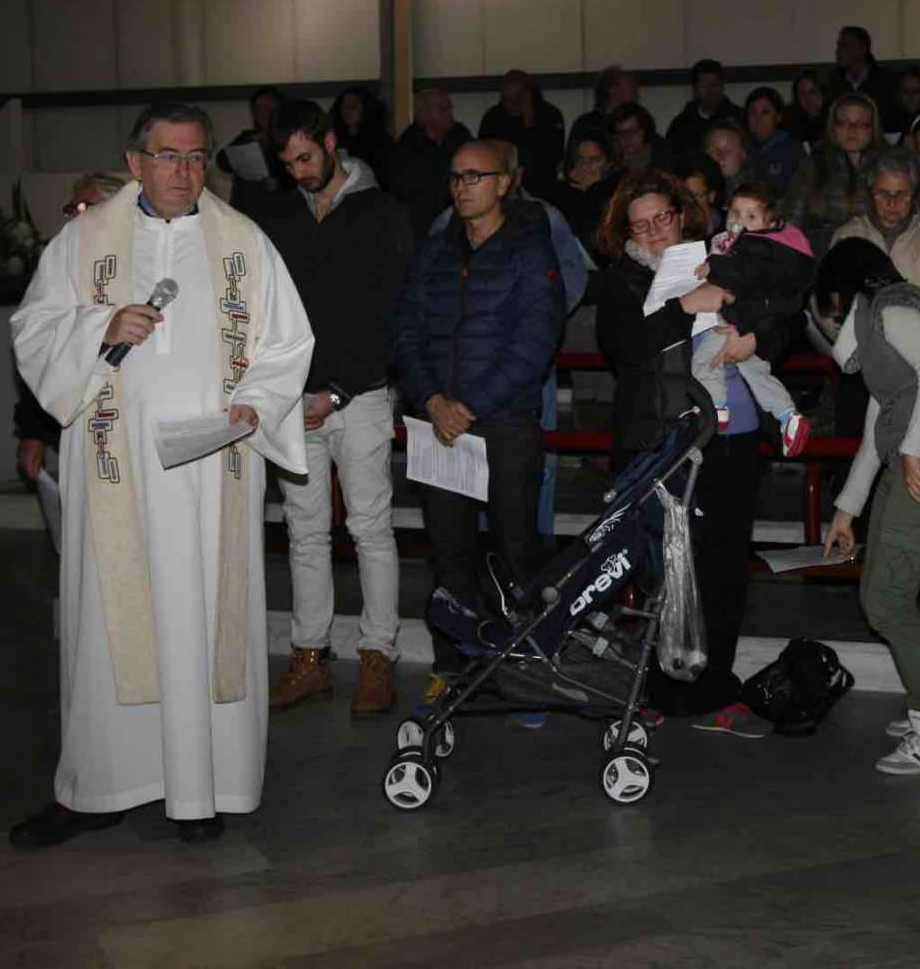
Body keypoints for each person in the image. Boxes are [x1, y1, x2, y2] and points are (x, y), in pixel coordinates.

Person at [7, 102, 315, 847]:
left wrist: (253, 407)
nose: (183, 171)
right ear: (135, 159)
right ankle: (98, 786)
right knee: (105, 629)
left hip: (212, 474)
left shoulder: (243, 243)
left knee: (203, 622)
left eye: (195, 157)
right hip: (117, 469)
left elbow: (287, 343)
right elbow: (34, 329)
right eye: (168, 156)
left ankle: (201, 788)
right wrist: (100, 326)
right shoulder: (83, 243)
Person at [593, 169, 783, 736]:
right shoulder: (620, 280)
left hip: (730, 439)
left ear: (683, 215)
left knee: (724, 568)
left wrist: (761, 337)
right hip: (657, 442)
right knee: (659, 572)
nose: (654, 233)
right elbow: (625, 347)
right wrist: (685, 307)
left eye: (664, 219)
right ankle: (653, 690)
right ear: (623, 230)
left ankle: (715, 689)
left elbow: (780, 312)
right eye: (641, 225)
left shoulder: (724, 256)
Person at [391, 140, 566, 701]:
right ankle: (453, 666)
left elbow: (535, 345)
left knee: (518, 554)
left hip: (505, 426)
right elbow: (406, 333)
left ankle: (528, 669)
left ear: (504, 183)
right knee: (450, 555)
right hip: (440, 426)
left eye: (475, 175)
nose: (462, 185)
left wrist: (468, 406)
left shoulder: (530, 251)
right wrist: (432, 400)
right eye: (456, 177)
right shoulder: (435, 252)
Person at [254, 99, 413, 716]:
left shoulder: (383, 210)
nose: (298, 171)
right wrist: (285, 391)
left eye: (306, 156)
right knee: (304, 534)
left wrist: (339, 391)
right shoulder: (275, 216)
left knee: (371, 530)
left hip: (363, 397)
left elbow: (392, 313)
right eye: (287, 162)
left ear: (329, 140)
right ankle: (310, 658)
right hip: (293, 401)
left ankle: (377, 660)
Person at [815, 239, 920, 775]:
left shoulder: (893, 306)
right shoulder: (888, 326)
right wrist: (846, 510)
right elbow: (876, 428)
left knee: (886, 600)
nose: (836, 321)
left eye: (835, 308)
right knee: (889, 593)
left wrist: (913, 450)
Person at [15, 171, 127, 483]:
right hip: (79, 419)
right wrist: (33, 434)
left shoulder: (139, 263)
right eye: (72, 209)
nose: (77, 218)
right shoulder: (62, 264)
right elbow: (42, 352)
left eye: (86, 209)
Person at [691, 182, 815, 453]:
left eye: (750, 217)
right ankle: (787, 414)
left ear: (771, 222)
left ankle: (717, 409)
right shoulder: (738, 243)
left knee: (704, 363)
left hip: (733, 324)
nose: (739, 222)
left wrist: (712, 267)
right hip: (746, 326)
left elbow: (742, 272)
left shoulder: (758, 249)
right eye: (734, 213)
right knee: (756, 371)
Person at [831, 146, 920, 317]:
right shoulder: (847, 236)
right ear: (871, 192)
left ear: (914, 193)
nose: (892, 203)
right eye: (883, 193)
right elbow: (829, 300)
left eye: (902, 194)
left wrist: (914, 328)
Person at [792, 92, 880, 247]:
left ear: (873, 129)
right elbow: (793, 218)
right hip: (820, 252)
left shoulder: (887, 165)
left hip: (874, 250)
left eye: (861, 124)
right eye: (844, 123)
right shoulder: (814, 163)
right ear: (833, 128)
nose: (852, 130)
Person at [386, 87, 470, 239]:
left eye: (450, 107)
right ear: (425, 114)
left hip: (459, 224)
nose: (450, 112)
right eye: (444, 109)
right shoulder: (406, 149)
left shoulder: (461, 138)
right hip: (420, 230)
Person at [478, 69, 566, 199]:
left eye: (514, 99)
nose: (508, 105)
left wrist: (530, 124)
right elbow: (484, 153)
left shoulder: (549, 115)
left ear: (527, 95)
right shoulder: (493, 117)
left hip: (542, 187)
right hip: (503, 186)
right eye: (505, 99)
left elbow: (552, 155)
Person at [216, 86, 294, 218]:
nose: (262, 114)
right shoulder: (247, 137)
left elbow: (299, 177)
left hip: (280, 210)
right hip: (246, 209)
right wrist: (246, 143)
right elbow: (222, 161)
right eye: (258, 110)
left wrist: (280, 183)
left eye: (268, 109)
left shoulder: (289, 139)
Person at [552, 132, 620, 257]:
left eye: (594, 160)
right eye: (581, 160)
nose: (586, 166)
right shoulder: (568, 189)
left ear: (609, 162)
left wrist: (592, 191)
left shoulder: (619, 188)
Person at [665, 58, 744, 163]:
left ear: (722, 86)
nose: (710, 91)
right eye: (704, 85)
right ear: (695, 89)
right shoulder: (681, 125)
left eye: (715, 85)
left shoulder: (739, 118)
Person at [829, 25, 903, 134]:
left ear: (862, 50)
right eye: (838, 46)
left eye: (844, 46)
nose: (838, 50)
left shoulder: (887, 82)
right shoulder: (832, 82)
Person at [740, 86, 802, 191]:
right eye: (753, 113)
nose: (758, 118)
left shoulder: (793, 149)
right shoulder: (740, 147)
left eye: (765, 112)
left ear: (778, 117)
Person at [567, 64, 638, 154]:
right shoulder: (586, 125)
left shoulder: (639, 122)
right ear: (613, 90)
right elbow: (572, 163)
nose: (636, 92)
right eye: (631, 86)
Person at [329, 84, 391, 174]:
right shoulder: (334, 140)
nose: (347, 111)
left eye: (353, 107)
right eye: (344, 106)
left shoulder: (380, 142)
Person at [609, 102, 666, 172]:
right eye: (621, 134)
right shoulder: (609, 164)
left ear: (645, 131)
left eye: (632, 132)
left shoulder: (663, 160)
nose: (627, 138)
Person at [783, 69, 828, 147]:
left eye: (813, 92)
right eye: (802, 93)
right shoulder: (789, 121)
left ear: (823, 93)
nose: (808, 98)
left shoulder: (835, 119)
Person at [702, 120, 749, 189]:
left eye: (728, 151)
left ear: (742, 154)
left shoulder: (752, 193)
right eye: (713, 151)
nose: (721, 156)